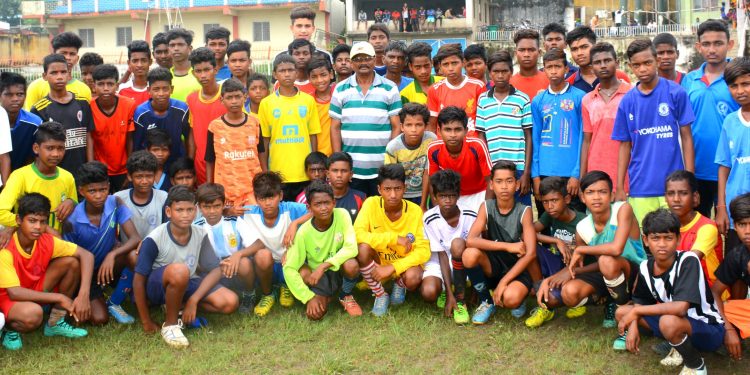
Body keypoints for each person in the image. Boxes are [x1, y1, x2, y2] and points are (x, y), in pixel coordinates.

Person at [614, 209, 723, 375]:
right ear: (646, 240)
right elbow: (640, 301)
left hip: (708, 328)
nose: (662, 244)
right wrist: (634, 322)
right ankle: (678, 344)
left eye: (668, 238)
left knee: (668, 322)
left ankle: (696, 365)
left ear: (678, 239)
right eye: (655, 238)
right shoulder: (645, 267)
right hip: (674, 320)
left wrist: (636, 311)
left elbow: (680, 308)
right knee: (622, 312)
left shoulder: (688, 260)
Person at [133, 185, 238, 348]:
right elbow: (138, 281)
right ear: (168, 212)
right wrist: (146, 322)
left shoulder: (199, 233)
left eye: (190, 210)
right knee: (180, 270)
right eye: (179, 210)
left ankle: (181, 305)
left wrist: (194, 301)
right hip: (158, 287)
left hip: (187, 280)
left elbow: (216, 269)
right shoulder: (154, 238)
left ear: (195, 211)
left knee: (230, 302)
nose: (185, 215)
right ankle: (170, 325)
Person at [613, 39, 695, 224]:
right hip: (641, 185)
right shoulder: (627, 102)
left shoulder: (676, 93)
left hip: (675, 186)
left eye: (647, 63)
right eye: (637, 65)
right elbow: (624, 145)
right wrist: (619, 186)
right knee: (647, 242)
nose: (642, 69)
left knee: (673, 240)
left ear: (657, 61)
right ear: (629, 67)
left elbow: (687, 137)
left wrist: (690, 181)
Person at [0, 193, 93, 351]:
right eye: (32, 221)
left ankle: (55, 322)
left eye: (42, 222)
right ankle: (8, 328)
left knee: (72, 263)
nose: (38, 227)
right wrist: (60, 297)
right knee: (33, 315)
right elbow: (14, 292)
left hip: (33, 288)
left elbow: (87, 255)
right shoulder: (5, 248)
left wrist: (83, 294)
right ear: (18, 220)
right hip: (8, 297)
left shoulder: (46, 240)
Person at [62, 162, 141, 326]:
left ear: (108, 187)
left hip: (108, 264)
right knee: (99, 319)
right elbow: (70, 260)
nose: (99, 195)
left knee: (134, 256)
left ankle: (117, 300)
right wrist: (83, 292)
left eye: (103, 190)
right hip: (85, 273)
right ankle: (89, 295)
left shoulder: (115, 202)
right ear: (81, 190)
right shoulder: (72, 221)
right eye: (92, 191)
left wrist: (112, 254)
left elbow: (135, 238)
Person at [568, 171, 647, 329]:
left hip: (638, 273)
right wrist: (575, 271)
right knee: (569, 293)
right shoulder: (582, 227)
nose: (596, 197)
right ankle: (608, 299)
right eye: (590, 192)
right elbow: (597, 264)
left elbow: (616, 249)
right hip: (610, 273)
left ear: (611, 196)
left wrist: (580, 250)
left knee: (607, 260)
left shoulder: (622, 209)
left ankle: (624, 313)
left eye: (602, 192)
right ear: (582, 197)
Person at [463, 161, 537, 324]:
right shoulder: (486, 207)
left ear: (517, 185)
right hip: (494, 265)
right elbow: (471, 240)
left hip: (517, 269)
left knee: (511, 299)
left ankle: (517, 294)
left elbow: (530, 253)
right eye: (499, 181)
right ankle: (486, 301)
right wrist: (507, 246)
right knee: (469, 254)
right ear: (491, 184)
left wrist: (504, 282)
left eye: (509, 181)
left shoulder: (524, 211)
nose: (504, 186)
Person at [354, 164, 430, 316]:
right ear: (379, 189)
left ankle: (400, 282)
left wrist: (393, 267)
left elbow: (424, 250)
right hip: (379, 260)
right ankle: (380, 294)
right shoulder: (371, 204)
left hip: (403, 263)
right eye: (387, 189)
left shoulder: (415, 211)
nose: (393, 195)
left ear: (405, 188)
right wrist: (393, 238)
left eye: (397, 188)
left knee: (413, 278)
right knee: (362, 248)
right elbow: (356, 234)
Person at [682, 20, 738, 219]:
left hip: (734, 168)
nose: (712, 49)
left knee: (735, 224)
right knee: (700, 226)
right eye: (706, 44)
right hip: (698, 168)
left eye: (718, 43)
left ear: (730, 44)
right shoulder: (689, 80)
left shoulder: (738, 79)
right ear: (698, 47)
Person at [330, 42, 402, 197]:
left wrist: (389, 159)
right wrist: (339, 162)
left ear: (375, 59)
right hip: (352, 171)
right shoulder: (340, 88)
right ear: (351, 62)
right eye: (357, 59)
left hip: (381, 168)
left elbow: (396, 126)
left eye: (367, 58)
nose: (363, 62)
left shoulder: (389, 88)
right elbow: (335, 127)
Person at [283, 180, 363, 319]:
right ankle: (328, 295)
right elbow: (289, 268)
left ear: (334, 202)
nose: (323, 208)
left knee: (351, 264)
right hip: (320, 277)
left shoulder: (342, 215)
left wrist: (324, 266)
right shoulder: (303, 232)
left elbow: (351, 248)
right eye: (317, 204)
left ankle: (345, 294)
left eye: (326, 202)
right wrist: (308, 297)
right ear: (309, 208)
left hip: (339, 268)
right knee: (315, 314)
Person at [242, 171, 309, 317]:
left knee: (304, 271)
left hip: (289, 263)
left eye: (271, 197)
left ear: (280, 196)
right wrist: (227, 211)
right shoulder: (248, 213)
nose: (267, 203)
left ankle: (286, 286)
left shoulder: (291, 209)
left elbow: (315, 210)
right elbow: (219, 212)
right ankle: (268, 294)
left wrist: (296, 223)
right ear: (256, 199)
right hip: (265, 268)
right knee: (263, 254)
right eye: (262, 198)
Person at [524, 176, 587, 328]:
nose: (550, 206)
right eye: (545, 202)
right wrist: (556, 241)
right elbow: (526, 233)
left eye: (554, 200)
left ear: (566, 199)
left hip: (576, 270)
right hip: (556, 264)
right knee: (528, 246)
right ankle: (542, 300)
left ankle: (580, 299)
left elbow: (587, 260)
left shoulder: (582, 221)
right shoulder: (549, 216)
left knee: (563, 295)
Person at [531, 49, 586, 214]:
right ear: (544, 69)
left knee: (573, 218)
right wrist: (535, 176)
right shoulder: (538, 100)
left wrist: (577, 174)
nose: (553, 71)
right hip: (545, 172)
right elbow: (535, 139)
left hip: (570, 173)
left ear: (566, 69)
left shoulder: (580, 97)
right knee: (547, 219)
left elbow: (583, 137)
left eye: (557, 66)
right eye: (549, 67)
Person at [259, 54, 320, 202]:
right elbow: (264, 141)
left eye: (290, 70)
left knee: (304, 214)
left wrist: (314, 167)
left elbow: (313, 136)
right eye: (282, 70)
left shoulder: (308, 101)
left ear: (297, 72)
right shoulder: (266, 103)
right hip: (278, 173)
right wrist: (266, 172)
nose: (287, 74)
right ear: (274, 74)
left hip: (304, 173)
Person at [194, 183, 262, 314]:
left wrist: (238, 254)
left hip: (235, 269)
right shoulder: (196, 227)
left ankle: (249, 294)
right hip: (211, 272)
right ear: (199, 207)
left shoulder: (234, 221)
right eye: (207, 207)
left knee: (244, 262)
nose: (212, 211)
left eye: (216, 206)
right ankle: (199, 300)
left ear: (224, 204)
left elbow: (259, 244)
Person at [0, 122, 77, 238]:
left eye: (60, 148)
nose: (56, 154)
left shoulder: (67, 177)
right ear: (36, 148)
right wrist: (43, 226)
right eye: (50, 148)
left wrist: (72, 202)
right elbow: (1, 212)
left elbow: (76, 209)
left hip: (57, 244)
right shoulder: (20, 176)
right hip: (29, 244)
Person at [477, 51, 533, 206]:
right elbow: (481, 136)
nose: (500, 76)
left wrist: (526, 173)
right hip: (493, 168)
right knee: (494, 211)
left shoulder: (522, 99)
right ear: (490, 73)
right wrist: (487, 168)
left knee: (521, 211)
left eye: (504, 71)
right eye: (496, 71)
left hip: (518, 168)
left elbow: (528, 136)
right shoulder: (483, 99)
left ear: (511, 72)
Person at [422, 170, 477, 324]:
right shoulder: (429, 218)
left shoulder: (470, 214)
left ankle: (461, 300)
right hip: (440, 262)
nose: (448, 200)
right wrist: (449, 295)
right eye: (443, 196)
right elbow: (441, 255)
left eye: (452, 196)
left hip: (464, 263)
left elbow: (477, 252)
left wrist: (475, 289)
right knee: (428, 292)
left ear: (458, 196)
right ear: (435, 197)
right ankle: (447, 291)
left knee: (458, 244)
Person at [30, 54, 94, 181]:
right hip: (56, 176)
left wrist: (90, 165)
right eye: (54, 73)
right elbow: (38, 146)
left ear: (69, 74)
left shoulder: (82, 103)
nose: (59, 77)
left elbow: (89, 136)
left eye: (63, 72)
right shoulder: (39, 109)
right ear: (45, 76)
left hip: (82, 173)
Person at [205, 79, 265, 211]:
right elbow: (209, 159)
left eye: (237, 96)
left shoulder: (255, 122)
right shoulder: (215, 126)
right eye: (229, 97)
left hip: (252, 188)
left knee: (252, 223)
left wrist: (265, 178)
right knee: (230, 227)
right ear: (222, 100)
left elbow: (261, 152)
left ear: (245, 97)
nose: (234, 101)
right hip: (226, 190)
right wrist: (210, 187)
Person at [580, 43, 631, 194]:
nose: (603, 65)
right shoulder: (587, 100)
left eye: (607, 60)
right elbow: (587, 140)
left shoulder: (633, 94)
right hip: (596, 174)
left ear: (617, 62)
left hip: (628, 173)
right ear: (591, 67)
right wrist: (583, 177)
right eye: (597, 62)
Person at [665, 170, 723, 288]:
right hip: (678, 289)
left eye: (683, 193)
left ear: (695, 197)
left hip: (709, 294)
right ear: (665, 198)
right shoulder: (665, 226)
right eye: (671, 193)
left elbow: (690, 262)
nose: (676, 199)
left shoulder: (707, 227)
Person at [427, 106, 492, 213]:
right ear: (439, 130)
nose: (453, 135)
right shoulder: (433, 149)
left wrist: (487, 210)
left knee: (481, 228)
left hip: (479, 194)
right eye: (447, 130)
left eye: (457, 129)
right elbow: (432, 182)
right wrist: (438, 209)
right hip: (451, 197)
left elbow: (490, 181)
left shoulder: (477, 146)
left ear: (466, 130)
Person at [710, 192, 750, 362]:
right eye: (742, 224)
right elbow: (715, 293)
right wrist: (728, 330)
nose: (748, 231)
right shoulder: (737, 255)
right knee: (719, 310)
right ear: (735, 225)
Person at [717, 56, 750, 251]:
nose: (740, 91)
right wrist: (721, 207)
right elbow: (724, 166)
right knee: (735, 266)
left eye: (746, 84)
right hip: (735, 209)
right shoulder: (730, 121)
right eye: (734, 86)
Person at [88, 64, 136, 193]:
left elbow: (130, 139)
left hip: (124, 168)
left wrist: (130, 169)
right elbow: (90, 139)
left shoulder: (129, 105)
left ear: (117, 85)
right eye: (101, 84)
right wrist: (92, 168)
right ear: (94, 86)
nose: (106, 89)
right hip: (100, 169)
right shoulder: (88, 107)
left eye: (110, 84)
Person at [132, 67, 191, 167]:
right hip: (150, 166)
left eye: (165, 89)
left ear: (171, 89)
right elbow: (137, 144)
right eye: (156, 89)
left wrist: (189, 162)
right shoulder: (141, 113)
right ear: (149, 90)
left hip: (177, 163)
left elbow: (188, 137)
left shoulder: (182, 109)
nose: (161, 94)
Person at [185, 47, 227, 185]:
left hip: (227, 164)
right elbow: (192, 132)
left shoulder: (228, 94)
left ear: (215, 70)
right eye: (198, 71)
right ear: (193, 73)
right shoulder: (191, 98)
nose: (203, 75)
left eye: (207, 70)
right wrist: (190, 162)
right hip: (201, 165)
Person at [385, 103, 436, 209]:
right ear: (402, 127)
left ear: (426, 126)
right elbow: (391, 178)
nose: (414, 129)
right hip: (401, 194)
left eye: (418, 125)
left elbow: (428, 173)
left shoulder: (431, 140)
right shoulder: (393, 147)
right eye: (409, 125)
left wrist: (423, 206)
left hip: (424, 193)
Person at [426, 43, 485, 135]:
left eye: (454, 63)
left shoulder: (478, 86)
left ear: (463, 62)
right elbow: (432, 126)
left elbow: (483, 123)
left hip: (472, 144)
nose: (451, 68)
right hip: (444, 145)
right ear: (440, 67)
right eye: (446, 64)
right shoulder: (434, 90)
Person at [24, 32, 91, 110]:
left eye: (72, 54)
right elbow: (31, 118)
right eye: (63, 53)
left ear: (77, 58)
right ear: (53, 54)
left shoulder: (84, 89)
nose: (68, 57)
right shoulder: (36, 87)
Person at [113, 150, 168, 242]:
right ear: (130, 177)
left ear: (154, 175)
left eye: (149, 176)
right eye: (139, 177)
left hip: (155, 250)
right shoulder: (119, 198)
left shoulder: (163, 197)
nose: (144, 181)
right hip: (127, 251)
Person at [565, 26, 630, 94]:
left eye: (584, 47)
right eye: (574, 49)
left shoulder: (619, 76)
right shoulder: (569, 85)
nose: (579, 53)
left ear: (594, 46)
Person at [1, 72, 42, 172]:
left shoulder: (35, 123)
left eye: (20, 94)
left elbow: (34, 157)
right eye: (9, 94)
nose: (15, 99)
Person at [510, 29, 549, 102]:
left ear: (539, 52)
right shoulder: (509, 84)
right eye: (522, 50)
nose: (526, 54)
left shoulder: (551, 81)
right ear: (515, 53)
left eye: (531, 50)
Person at [307, 57, 335, 155]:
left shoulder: (339, 97)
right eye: (314, 77)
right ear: (309, 78)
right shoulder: (307, 102)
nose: (319, 80)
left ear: (331, 74)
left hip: (338, 154)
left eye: (323, 75)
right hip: (317, 156)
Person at [327, 152, 366, 222]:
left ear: (351, 175)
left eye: (344, 171)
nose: (339, 175)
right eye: (335, 171)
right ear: (327, 174)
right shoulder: (319, 197)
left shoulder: (361, 198)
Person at [165, 28, 201, 102]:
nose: (176, 48)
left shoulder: (200, 74)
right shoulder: (165, 77)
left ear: (190, 48)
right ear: (168, 49)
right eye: (172, 45)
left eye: (180, 45)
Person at [118, 40, 152, 107]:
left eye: (144, 60)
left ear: (150, 62)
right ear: (129, 63)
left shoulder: (157, 88)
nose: (139, 65)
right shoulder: (122, 90)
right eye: (135, 61)